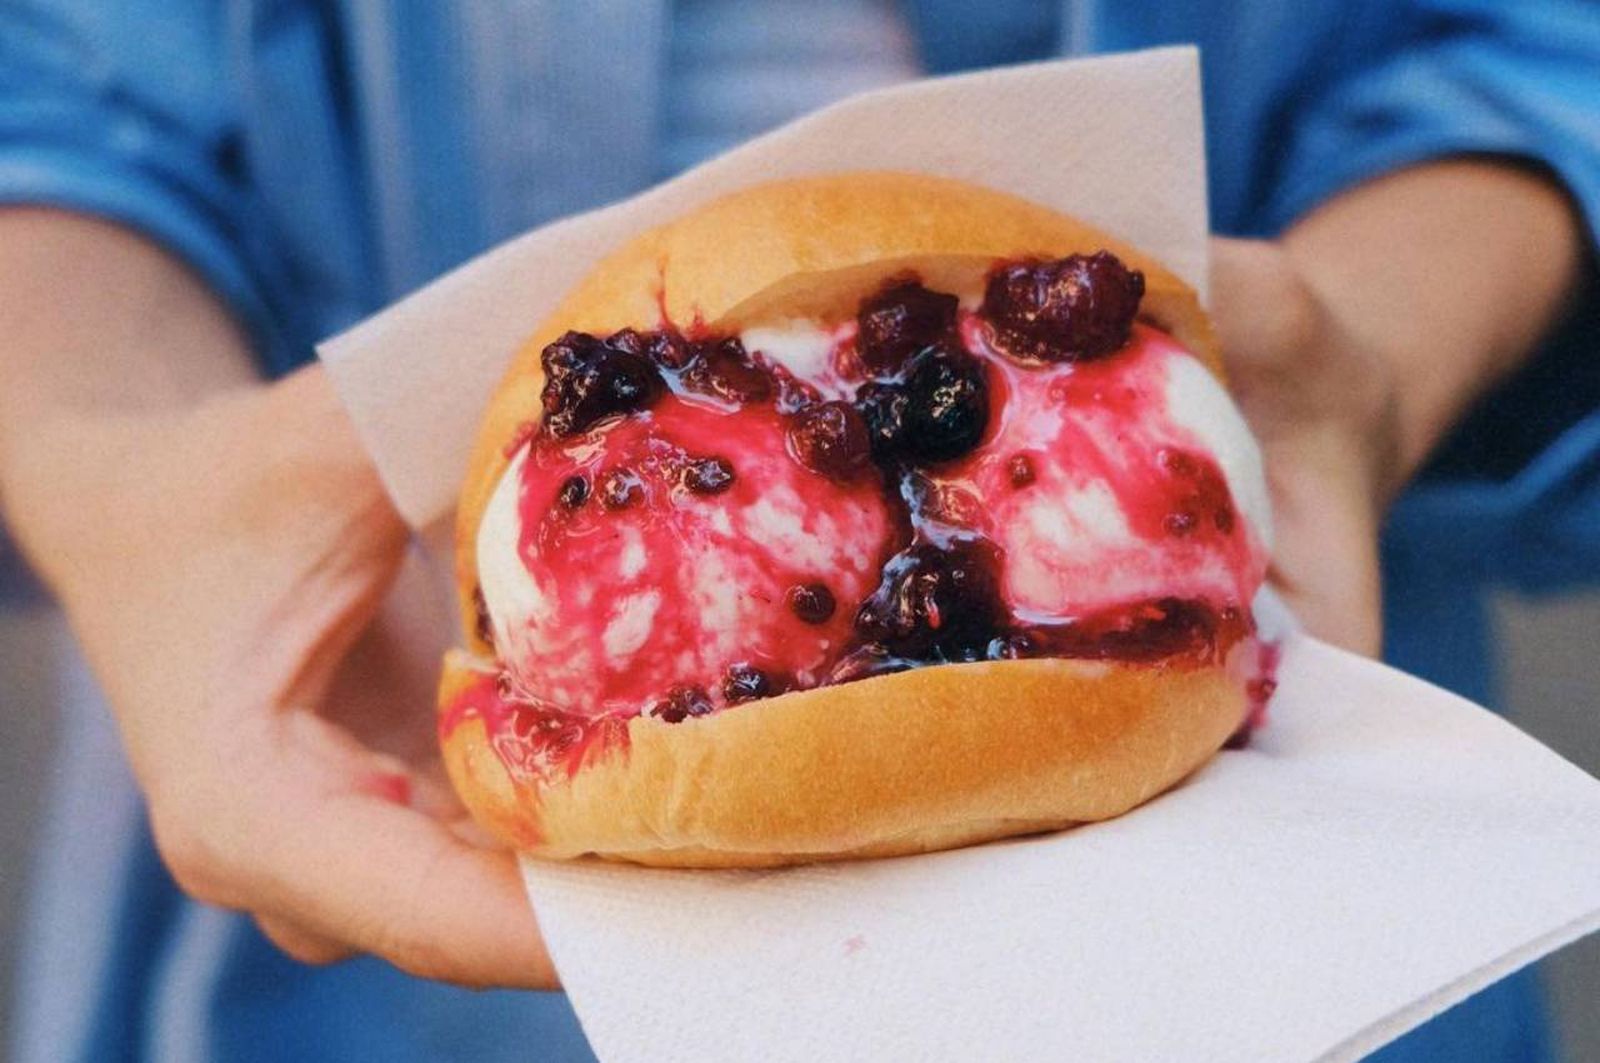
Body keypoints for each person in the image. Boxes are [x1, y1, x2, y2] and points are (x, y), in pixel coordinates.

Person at [1, 2, 1595, 1061]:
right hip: (347, 889)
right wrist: (111, 473)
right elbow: (50, 88)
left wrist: (1377, 351)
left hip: (1290, 909)